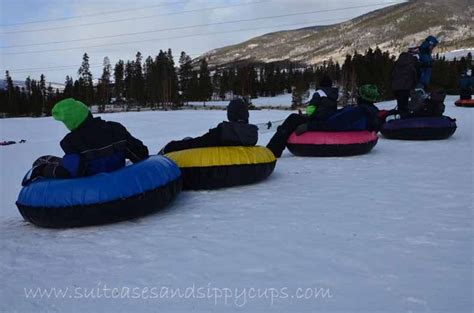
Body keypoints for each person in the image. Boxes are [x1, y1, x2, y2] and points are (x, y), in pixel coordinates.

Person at [23, 98, 149, 185]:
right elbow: (141, 153)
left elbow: (71, 171)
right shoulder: (116, 128)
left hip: (93, 187)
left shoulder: (71, 141)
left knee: (43, 161)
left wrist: (43, 170)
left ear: (70, 122)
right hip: (118, 176)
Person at [266, 75, 338, 157]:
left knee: (292, 119)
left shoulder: (319, 93)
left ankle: (273, 150)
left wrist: (306, 115)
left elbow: (310, 110)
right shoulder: (334, 95)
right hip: (325, 120)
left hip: (316, 120)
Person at [160, 99, 258, 154]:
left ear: (230, 114)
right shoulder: (252, 134)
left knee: (188, 141)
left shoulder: (224, 131)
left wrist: (171, 146)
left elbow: (198, 143)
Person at [307, 84, 381, 132]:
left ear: (362, 97)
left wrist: (309, 126)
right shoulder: (370, 110)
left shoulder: (359, 112)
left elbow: (334, 123)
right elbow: (337, 114)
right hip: (323, 119)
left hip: (324, 125)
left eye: (358, 95)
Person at [391, 47, 420, 117]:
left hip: (396, 86)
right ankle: (404, 122)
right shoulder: (414, 61)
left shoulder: (399, 60)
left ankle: (399, 120)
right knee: (405, 106)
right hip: (406, 86)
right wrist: (414, 85)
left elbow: (392, 73)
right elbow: (416, 74)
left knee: (400, 105)